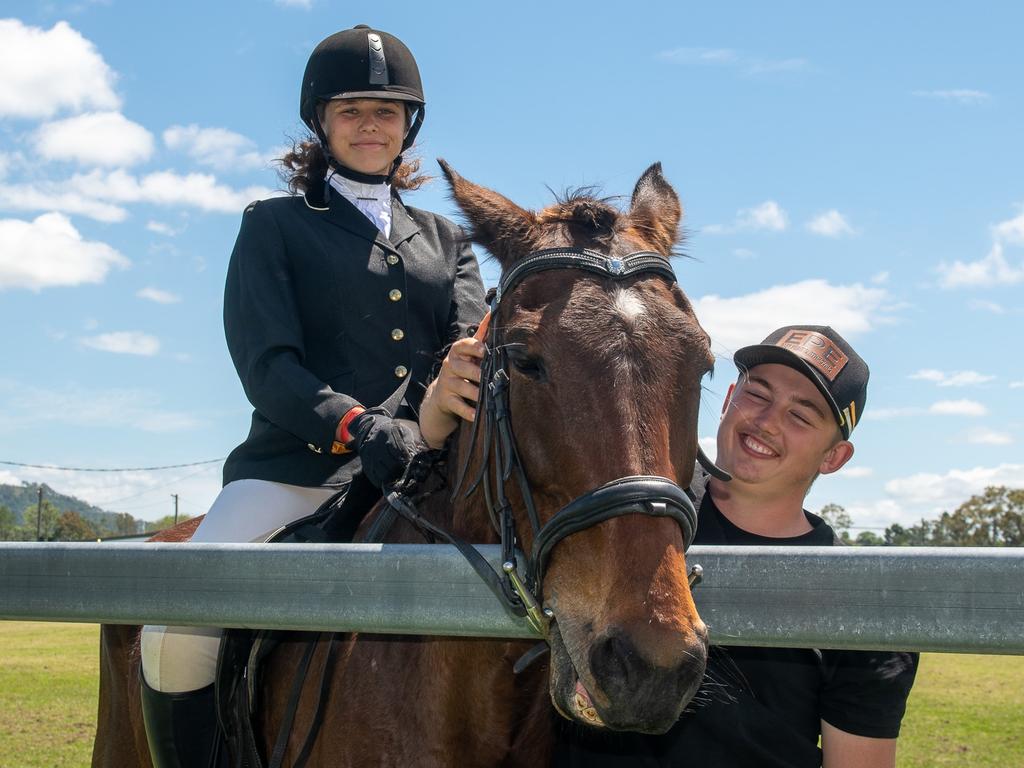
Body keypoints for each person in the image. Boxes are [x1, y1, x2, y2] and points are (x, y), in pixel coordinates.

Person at [137, 25, 486, 767]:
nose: (370, 124)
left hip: (427, 475)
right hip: (295, 473)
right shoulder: (274, 227)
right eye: (352, 109)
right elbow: (267, 365)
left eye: (386, 111)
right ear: (321, 122)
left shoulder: (448, 241)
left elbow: (469, 349)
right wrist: (358, 427)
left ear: (408, 127)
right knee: (174, 632)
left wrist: (428, 426)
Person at [552, 325, 919, 767]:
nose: (766, 422)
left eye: (800, 415)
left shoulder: (858, 601)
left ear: (834, 457)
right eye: (757, 395)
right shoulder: (630, 512)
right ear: (728, 398)